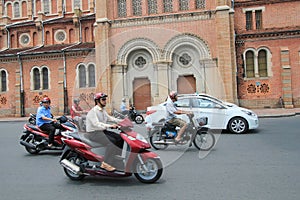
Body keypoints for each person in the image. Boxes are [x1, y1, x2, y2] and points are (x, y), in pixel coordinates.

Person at [85, 92, 124, 172]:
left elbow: (110, 118)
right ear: (97, 101)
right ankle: (105, 163)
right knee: (111, 142)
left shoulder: (102, 110)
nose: (105, 101)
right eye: (103, 99)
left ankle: (115, 158)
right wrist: (110, 126)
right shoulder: (93, 111)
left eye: (105, 99)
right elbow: (97, 124)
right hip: (93, 133)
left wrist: (122, 121)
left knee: (120, 138)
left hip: (102, 131)